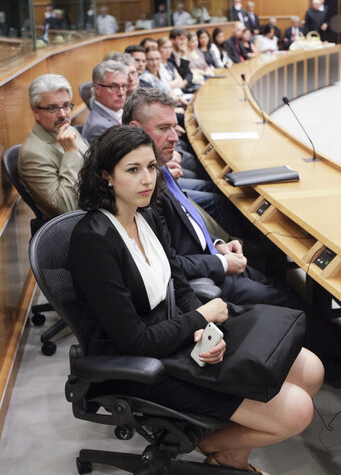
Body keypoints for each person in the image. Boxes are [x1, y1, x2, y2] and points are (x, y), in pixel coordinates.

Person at [70, 125, 324, 473]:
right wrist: (200, 319)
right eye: (133, 170)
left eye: (150, 167)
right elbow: (135, 340)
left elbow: (178, 281)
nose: (147, 179)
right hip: (141, 364)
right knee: (298, 410)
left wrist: (209, 333)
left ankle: (230, 456)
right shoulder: (93, 240)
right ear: (105, 176)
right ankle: (215, 446)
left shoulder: (146, 213)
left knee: (310, 368)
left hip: (177, 332)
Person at [122, 88, 307, 309]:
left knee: (282, 285)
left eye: (173, 126)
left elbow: (186, 220)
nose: (175, 136)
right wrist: (220, 263)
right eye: (164, 128)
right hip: (202, 281)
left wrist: (218, 245)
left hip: (211, 258)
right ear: (136, 130)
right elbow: (166, 263)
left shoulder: (157, 167)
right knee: (293, 305)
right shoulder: (141, 189)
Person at [18, 74, 88, 220]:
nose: (63, 114)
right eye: (52, 108)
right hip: (76, 226)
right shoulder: (32, 155)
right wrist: (71, 154)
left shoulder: (69, 129)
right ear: (36, 112)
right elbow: (67, 208)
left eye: (66, 105)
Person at [82, 61, 127, 145]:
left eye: (124, 86)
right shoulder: (99, 127)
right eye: (114, 86)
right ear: (97, 89)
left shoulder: (119, 110)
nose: (121, 93)